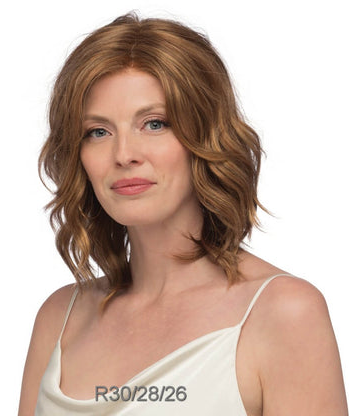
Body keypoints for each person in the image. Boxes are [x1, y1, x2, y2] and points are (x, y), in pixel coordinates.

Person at [18, 13, 348, 416]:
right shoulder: (60, 317)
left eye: (154, 124)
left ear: (206, 137)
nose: (124, 154)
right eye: (98, 132)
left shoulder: (283, 313)